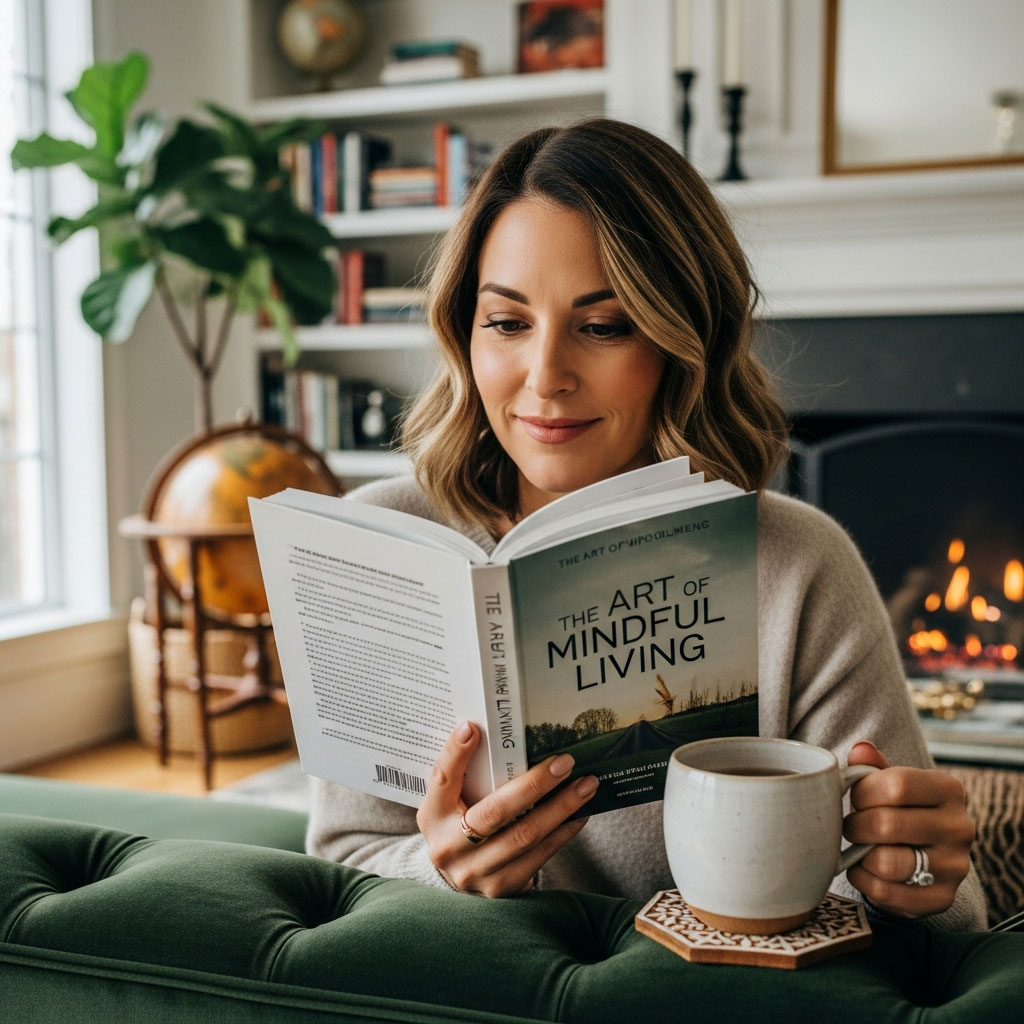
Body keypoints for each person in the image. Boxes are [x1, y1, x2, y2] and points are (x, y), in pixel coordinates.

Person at [307, 118, 985, 930]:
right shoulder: (383, 539)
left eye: (603, 326)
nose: (546, 377)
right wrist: (440, 873)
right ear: (464, 332)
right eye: (507, 322)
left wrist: (909, 873)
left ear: (682, 339)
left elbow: (943, 915)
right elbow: (342, 871)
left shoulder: (797, 564)